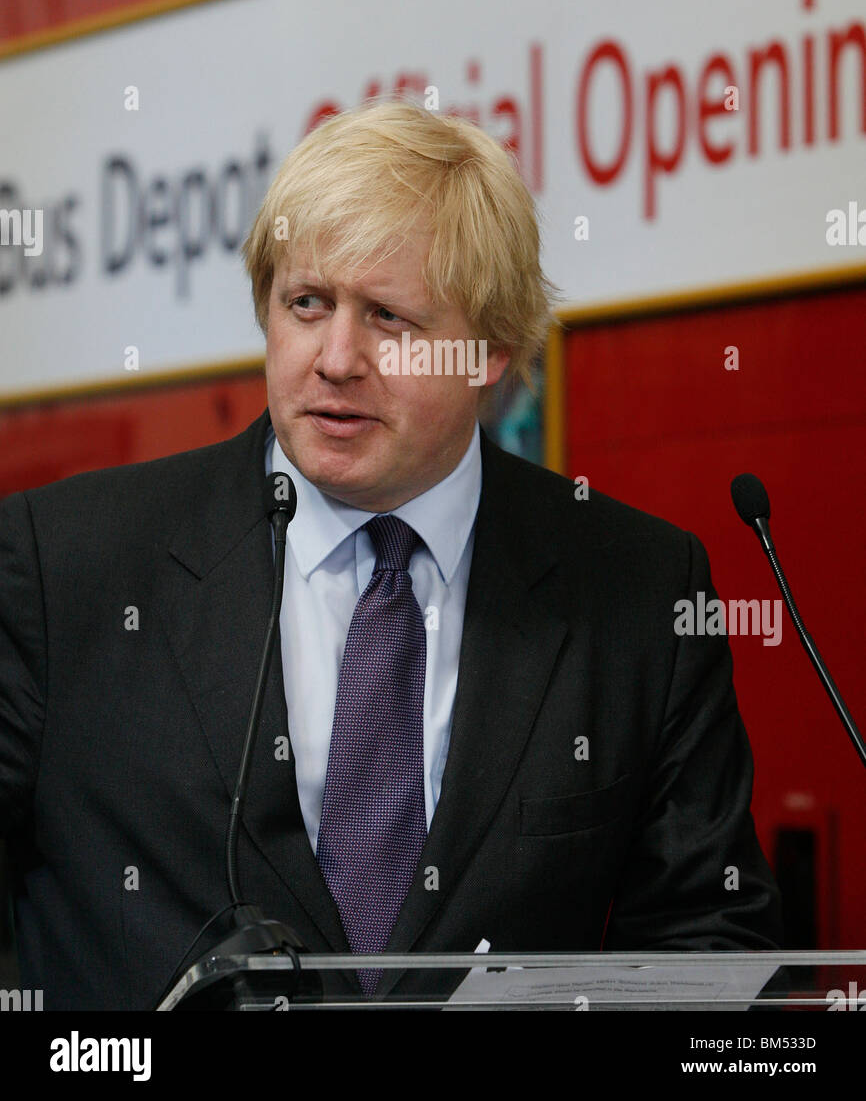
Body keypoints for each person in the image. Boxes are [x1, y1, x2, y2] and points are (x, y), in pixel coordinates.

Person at [0, 99, 782, 1010]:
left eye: (388, 317)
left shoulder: (640, 591)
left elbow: (707, 942)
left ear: (489, 350)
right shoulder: (68, 568)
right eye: (307, 304)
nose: (336, 358)